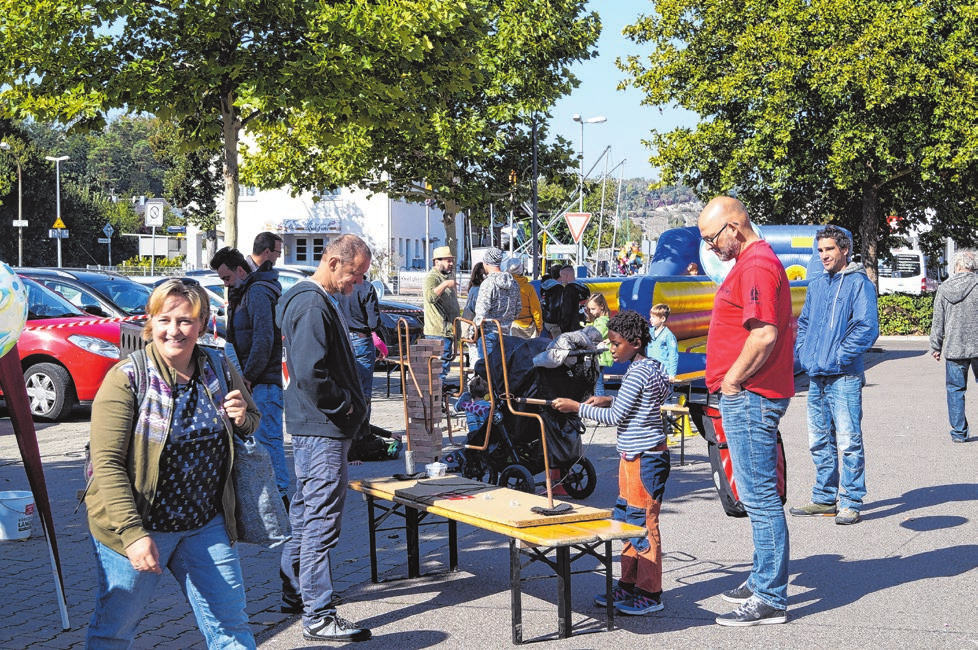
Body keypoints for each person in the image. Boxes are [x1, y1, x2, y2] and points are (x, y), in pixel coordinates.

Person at [85, 278, 261, 648]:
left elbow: (253, 420)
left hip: (204, 522)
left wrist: (242, 417)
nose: (174, 330)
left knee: (231, 626)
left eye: (185, 320)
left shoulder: (218, 366)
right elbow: (107, 464)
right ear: (151, 322)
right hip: (139, 522)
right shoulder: (126, 379)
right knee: (114, 630)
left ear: (202, 323)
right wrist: (133, 536)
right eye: (165, 320)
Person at [698, 196, 794, 627]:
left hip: (751, 395)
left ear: (734, 228)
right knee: (757, 495)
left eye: (712, 238)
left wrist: (733, 382)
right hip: (750, 394)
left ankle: (770, 596)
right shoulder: (753, 261)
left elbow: (764, 334)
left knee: (759, 497)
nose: (711, 248)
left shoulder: (755, 264)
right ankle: (761, 579)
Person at [277, 234, 373, 642]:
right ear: (333, 263)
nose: (357, 285)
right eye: (355, 275)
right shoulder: (313, 303)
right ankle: (318, 612)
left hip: (312, 426)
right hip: (322, 428)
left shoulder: (305, 299)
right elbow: (310, 372)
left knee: (305, 512)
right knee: (320, 520)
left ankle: (296, 590)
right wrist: (345, 406)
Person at [552, 310, 671, 615]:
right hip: (635, 457)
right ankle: (629, 585)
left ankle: (650, 592)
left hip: (645, 460)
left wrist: (577, 407)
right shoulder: (651, 368)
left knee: (643, 524)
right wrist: (609, 399)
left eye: (616, 343)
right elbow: (643, 402)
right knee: (626, 519)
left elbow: (615, 418)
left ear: (634, 342)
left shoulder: (636, 373)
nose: (611, 347)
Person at [791, 225, 878, 526]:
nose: (824, 255)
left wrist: (839, 357)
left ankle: (851, 500)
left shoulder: (858, 283)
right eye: (820, 250)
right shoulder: (817, 284)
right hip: (816, 374)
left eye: (829, 249)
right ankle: (825, 498)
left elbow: (867, 328)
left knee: (848, 440)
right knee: (818, 440)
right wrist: (804, 353)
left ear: (844, 250)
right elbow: (803, 324)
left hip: (844, 376)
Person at [210, 246, 289, 505]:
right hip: (256, 379)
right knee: (263, 438)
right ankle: (275, 496)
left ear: (241, 270)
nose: (226, 284)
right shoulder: (244, 292)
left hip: (263, 381)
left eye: (227, 278)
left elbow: (264, 339)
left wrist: (249, 376)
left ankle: (282, 498)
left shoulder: (256, 293)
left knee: (269, 438)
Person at [929, 249, 978, 443]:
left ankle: (959, 433)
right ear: (973, 266)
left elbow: (938, 320)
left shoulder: (945, 288)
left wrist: (935, 345)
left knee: (956, 390)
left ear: (957, 266)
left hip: (954, 347)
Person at [336, 273, 381, 409]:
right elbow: (373, 323)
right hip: (361, 339)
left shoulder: (338, 286)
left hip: (341, 339)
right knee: (363, 390)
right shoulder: (366, 287)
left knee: (344, 386)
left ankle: (349, 426)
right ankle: (363, 427)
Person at [473, 247, 521, 356]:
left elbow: (481, 311)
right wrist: (506, 321)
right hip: (506, 334)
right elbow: (518, 309)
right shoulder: (513, 283)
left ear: (486, 263)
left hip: (489, 334)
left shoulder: (488, 283)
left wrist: (473, 331)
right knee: (502, 369)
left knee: (488, 369)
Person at [423, 245, 460, 383]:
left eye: (452, 261)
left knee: (441, 371)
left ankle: (437, 401)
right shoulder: (433, 277)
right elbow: (430, 297)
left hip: (445, 333)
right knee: (439, 372)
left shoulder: (442, 277)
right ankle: (436, 402)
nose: (451, 264)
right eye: (448, 260)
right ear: (437, 261)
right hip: (438, 332)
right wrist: (445, 285)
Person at [584, 293, 612, 396]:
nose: (591, 312)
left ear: (601, 306)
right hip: (598, 356)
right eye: (590, 309)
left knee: (598, 383)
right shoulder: (599, 320)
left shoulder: (602, 321)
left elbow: (595, 335)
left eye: (593, 309)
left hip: (599, 356)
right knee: (596, 382)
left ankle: (600, 404)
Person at [509, 258, 543, 339]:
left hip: (511, 326)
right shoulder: (528, 288)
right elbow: (536, 310)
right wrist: (539, 327)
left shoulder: (505, 287)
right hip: (528, 328)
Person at [462, 262, 488, 364]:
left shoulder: (472, 288)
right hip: (475, 325)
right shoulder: (480, 290)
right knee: (477, 355)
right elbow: (477, 309)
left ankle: (471, 377)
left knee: (473, 354)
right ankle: (475, 377)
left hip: (469, 323)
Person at [646, 303, 679, 381]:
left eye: (653, 317)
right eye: (651, 317)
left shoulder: (668, 335)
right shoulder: (649, 332)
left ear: (663, 319)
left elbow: (673, 355)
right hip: (650, 369)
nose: (650, 319)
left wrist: (672, 374)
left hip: (663, 371)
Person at [558, 265, 591, 334]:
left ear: (566, 276)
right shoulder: (584, 287)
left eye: (561, 276)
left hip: (572, 328)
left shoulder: (569, 289)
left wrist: (563, 327)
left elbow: (566, 311)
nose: (561, 279)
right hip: (585, 324)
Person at [540, 265, 565, 339]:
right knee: (558, 342)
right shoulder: (558, 288)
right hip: (554, 321)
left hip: (546, 319)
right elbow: (557, 306)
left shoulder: (545, 285)